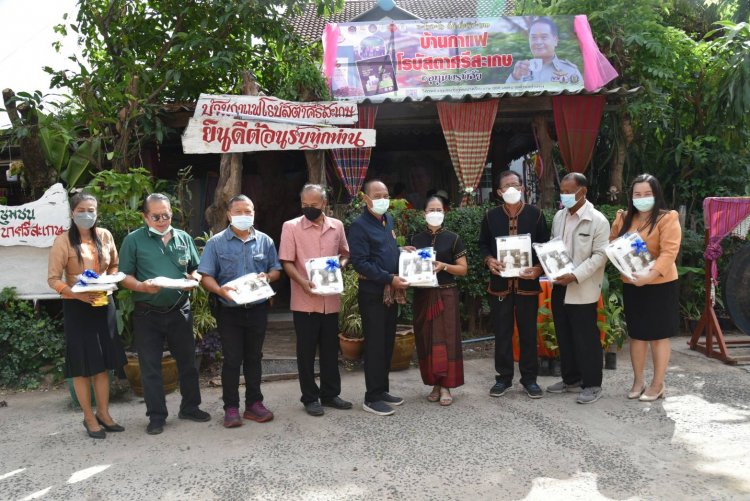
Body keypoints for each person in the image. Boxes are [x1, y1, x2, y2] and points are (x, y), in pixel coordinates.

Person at [119, 193, 209, 435]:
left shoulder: (183, 237)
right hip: (147, 313)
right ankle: (156, 416)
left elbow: (196, 267)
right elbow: (124, 276)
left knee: (188, 363)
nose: (162, 220)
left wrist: (195, 278)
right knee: (150, 367)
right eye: (156, 216)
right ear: (145, 216)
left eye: (166, 215)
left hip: (180, 309)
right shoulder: (133, 240)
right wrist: (141, 287)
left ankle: (190, 407)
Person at [47, 193, 127, 439]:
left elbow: (114, 265)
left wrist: (109, 279)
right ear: (72, 213)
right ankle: (88, 417)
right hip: (77, 307)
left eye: (91, 209)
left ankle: (103, 413)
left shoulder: (104, 236)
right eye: (81, 209)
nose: (87, 214)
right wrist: (76, 295)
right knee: (82, 366)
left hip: (103, 303)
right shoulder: (63, 241)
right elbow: (53, 279)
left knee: (102, 363)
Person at [199, 195, 282, 428]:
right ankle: (231, 407)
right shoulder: (216, 243)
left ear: (254, 213)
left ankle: (254, 404)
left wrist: (268, 276)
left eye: (249, 211)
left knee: (254, 358)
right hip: (229, 311)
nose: (244, 216)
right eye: (239, 212)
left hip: (257, 309)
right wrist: (220, 290)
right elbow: (206, 276)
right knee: (232, 360)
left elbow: (276, 269)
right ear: (228, 214)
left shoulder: (265, 241)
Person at [279, 184, 353, 417]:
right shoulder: (290, 227)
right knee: (306, 352)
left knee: (331, 351)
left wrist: (337, 268)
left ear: (324, 203)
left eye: (314, 204)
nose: (309, 208)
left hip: (330, 300)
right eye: (304, 205)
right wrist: (302, 282)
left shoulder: (336, 226)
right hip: (305, 300)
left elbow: (345, 253)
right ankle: (310, 397)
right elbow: (287, 262)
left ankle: (330, 394)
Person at [610, 174, 681, 402]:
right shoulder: (623, 217)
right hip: (632, 283)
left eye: (647, 194)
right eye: (637, 194)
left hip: (660, 283)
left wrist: (649, 276)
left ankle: (657, 384)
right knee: (637, 334)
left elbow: (669, 253)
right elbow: (612, 245)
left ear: (656, 194)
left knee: (658, 336)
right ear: (631, 197)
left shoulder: (667, 218)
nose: (642, 198)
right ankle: (638, 380)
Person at [479, 171, 549, 399]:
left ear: (522, 188)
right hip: (500, 285)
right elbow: (482, 246)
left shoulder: (536, 215)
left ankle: (530, 380)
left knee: (528, 333)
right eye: (506, 186)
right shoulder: (490, 217)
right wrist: (489, 261)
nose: (512, 189)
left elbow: (545, 247)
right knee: (502, 333)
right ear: (499, 192)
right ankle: (503, 378)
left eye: (515, 185)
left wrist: (538, 269)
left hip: (527, 285)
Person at [545, 173, 610, 404]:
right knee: (564, 334)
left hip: (582, 287)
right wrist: (550, 266)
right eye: (562, 190)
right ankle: (570, 379)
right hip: (559, 284)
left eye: (569, 191)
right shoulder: (559, 216)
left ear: (583, 192)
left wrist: (575, 274)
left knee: (586, 337)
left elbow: (601, 256)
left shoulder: (598, 220)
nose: (565, 195)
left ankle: (592, 384)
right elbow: (554, 245)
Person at [349, 179, 410, 416]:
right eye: (377, 195)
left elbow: (386, 250)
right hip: (373, 292)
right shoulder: (359, 226)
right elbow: (360, 262)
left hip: (390, 292)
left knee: (386, 342)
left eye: (385, 194)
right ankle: (371, 397)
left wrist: (402, 251)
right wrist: (388, 279)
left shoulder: (388, 220)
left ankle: (382, 389)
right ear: (366, 198)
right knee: (374, 344)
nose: (383, 199)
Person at [410, 196, 468, 406]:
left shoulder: (453, 238)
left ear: (444, 213)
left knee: (447, 340)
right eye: (431, 209)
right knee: (426, 340)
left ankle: (446, 386)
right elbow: (409, 267)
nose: (435, 212)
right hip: (423, 295)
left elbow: (463, 269)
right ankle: (434, 383)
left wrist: (444, 266)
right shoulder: (415, 239)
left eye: (439, 209)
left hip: (446, 294)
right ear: (424, 213)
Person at [506, 17, 582, 85]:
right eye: (534, 38)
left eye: (544, 37)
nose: (538, 42)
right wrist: (515, 77)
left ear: (555, 40)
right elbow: (506, 98)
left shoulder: (570, 71)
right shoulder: (521, 71)